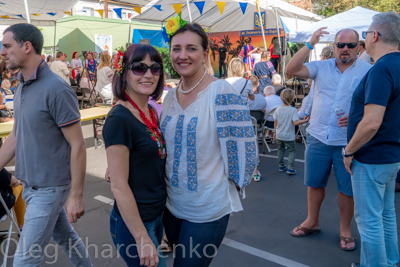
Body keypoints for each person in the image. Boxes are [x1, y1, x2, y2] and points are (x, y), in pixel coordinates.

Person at [161, 22, 257, 266]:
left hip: (207, 209)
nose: (182, 56)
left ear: (205, 55)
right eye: (176, 49)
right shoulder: (171, 95)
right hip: (171, 206)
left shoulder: (221, 91)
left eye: (191, 49)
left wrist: (234, 182)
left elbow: (243, 145)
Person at [0, 23, 92, 265]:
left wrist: (77, 195)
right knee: (67, 239)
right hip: (30, 186)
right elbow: (17, 135)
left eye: (7, 45)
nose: (2, 51)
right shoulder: (22, 85)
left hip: (50, 189)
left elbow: (78, 145)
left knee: (24, 261)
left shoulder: (57, 89)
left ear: (27, 46)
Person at [286, 27, 371, 251]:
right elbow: (291, 68)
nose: (345, 49)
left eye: (350, 45)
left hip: (348, 141)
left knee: (347, 189)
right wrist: (310, 43)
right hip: (318, 136)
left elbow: (375, 103)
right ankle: (312, 221)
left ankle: (345, 229)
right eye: (340, 45)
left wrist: (356, 117)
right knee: (314, 183)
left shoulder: (368, 70)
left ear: (358, 47)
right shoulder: (321, 66)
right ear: (333, 46)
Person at [343, 12, 400, 267]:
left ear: (374, 36)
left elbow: (372, 122)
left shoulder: (382, 68)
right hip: (391, 156)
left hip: (372, 157)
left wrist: (348, 150)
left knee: (369, 222)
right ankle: (389, 262)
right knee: (386, 215)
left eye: (366, 33)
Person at [103, 44, 167, 267]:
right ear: (124, 72)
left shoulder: (149, 111)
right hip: (136, 224)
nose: (149, 74)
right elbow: (119, 186)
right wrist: (142, 237)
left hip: (156, 216)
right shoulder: (119, 119)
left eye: (155, 68)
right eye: (139, 68)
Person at [273, 89, 309, 175]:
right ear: (293, 98)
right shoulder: (292, 110)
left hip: (279, 134)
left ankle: (281, 166)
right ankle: (290, 168)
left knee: (280, 150)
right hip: (289, 135)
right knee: (292, 151)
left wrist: (275, 132)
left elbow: (275, 122)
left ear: (281, 98)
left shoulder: (278, 109)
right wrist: (305, 121)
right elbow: (295, 122)